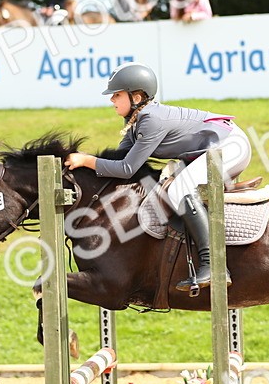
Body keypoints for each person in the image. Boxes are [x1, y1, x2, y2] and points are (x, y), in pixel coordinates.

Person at [64, 62, 251, 291]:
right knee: (168, 185)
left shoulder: (151, 119)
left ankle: (213, 265)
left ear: (137, 96)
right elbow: (121, 158)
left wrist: (86, 161)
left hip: (231, 146)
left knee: (179, 190)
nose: (111, 99)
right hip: (211, 150)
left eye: (117, 94)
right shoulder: (136, 120)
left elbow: (127, 169)